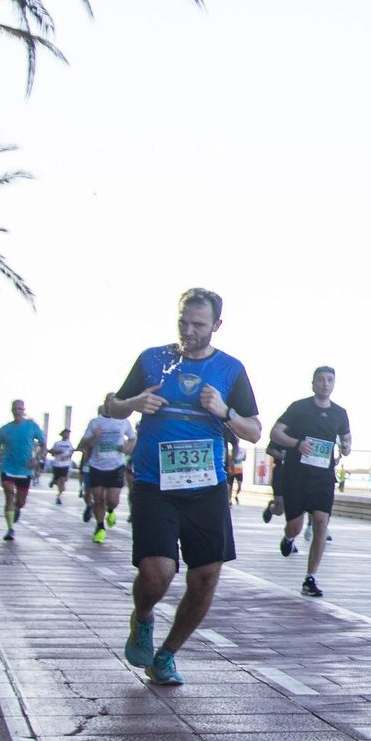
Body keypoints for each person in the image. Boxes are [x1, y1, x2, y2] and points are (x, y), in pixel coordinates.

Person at [106, 288, 261, 685]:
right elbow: (110, 406)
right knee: (158, 573)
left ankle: (168, 654)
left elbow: (255, 432)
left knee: (206, 577)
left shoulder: (230, 370)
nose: (189, 331)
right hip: (154, 482)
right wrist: (135, 402)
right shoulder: (152, 360)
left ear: (216, 326)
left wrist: (224, 411)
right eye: (183, 322)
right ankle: (142, 618)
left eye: (198, 324)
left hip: (207, 486)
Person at [270, 366, 352, 597]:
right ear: (313, 383)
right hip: (296, 476)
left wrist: (346, 447)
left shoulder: (340, 413)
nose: (325, 384)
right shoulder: (299, 407)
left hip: (323, 478)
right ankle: (288, 538)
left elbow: (346, 439)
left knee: (320, 523)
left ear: (334, 384)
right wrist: (297, 444)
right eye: (321, 380)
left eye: (329, 380)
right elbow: (275, 433)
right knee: (295, 526)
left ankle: (310, 578)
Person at [78, 396, 137, 544]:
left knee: (112, 500)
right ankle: (100, 527)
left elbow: (132, 439)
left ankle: (110, 511)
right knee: (98, 499)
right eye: (109, 401)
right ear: (105, 403)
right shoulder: (95, 422)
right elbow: (82, 444)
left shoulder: (123, 421)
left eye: (115, 401)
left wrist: (127, 448)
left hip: (116, 466)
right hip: (96, 466)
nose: (112, 404)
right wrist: (93, 436)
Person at [0, 400, 47, 541]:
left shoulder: (32, 427)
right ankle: (10, 529)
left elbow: (43, 445)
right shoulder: (4, 429)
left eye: (19, 409)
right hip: (7, 467)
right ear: (11, 410)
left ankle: (17, 509)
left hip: (25, 469)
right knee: (9, 494)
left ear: (24, 410)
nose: (17, 411)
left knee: (21, 502)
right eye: (15, 409)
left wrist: (36, 459)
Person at [48, 430, 76, 503]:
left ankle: (59, 496)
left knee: (63, 480)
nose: (67, 435)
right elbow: (50, 451)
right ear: (62, 434)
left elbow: (71, 451)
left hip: (65, 465)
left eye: (68, 434)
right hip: (57, 464)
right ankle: (54, 481)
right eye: (66, 433)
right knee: (58, 481)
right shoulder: (57, 443)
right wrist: (57, 452)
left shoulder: (69, 443)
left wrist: (69, 456)